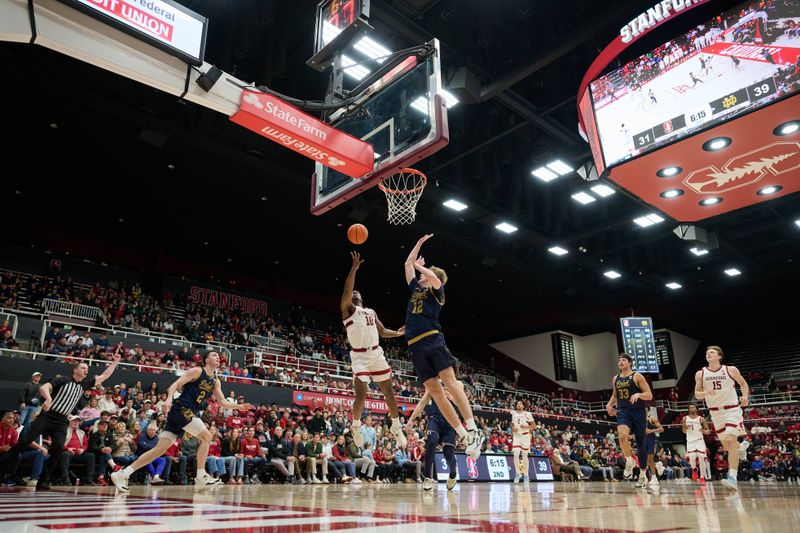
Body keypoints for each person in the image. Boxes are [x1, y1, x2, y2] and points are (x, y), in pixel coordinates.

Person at [111, 351, 253, 492]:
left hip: (185, 413)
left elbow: (222, 401)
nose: (218, 357)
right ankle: (201, 476)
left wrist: (239, 406)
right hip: (182, 409)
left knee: (159, 450)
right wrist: (168, 399)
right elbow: (175, 384)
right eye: (214, 355)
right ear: (206, 360)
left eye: (218, 356)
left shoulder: (215, 380)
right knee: (207, 437)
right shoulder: (197, 371)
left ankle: (123, 473)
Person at [403, 234, 483, 459]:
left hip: (432, 339)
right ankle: (462, 434)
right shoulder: (414, 291)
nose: (420, 275)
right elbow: (407, 264)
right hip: (414, 346)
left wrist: (423, 268)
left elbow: (435, 278)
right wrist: (418, 244)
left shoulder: (436, 291)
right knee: (435, 392)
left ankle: (473, 429)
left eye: (423, 274)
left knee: (449, 382)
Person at [0, 351, 120, 490]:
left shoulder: (85, 385)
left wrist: (115, 362)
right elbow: (44, 387)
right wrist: (48, 398)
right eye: (82, 367)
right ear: (75, 369)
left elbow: (105, 375)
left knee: (57, 449)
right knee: (24, 441)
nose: (86, 370)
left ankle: (43, 480)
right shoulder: (63, 380)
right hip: (48, 415)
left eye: (87, 369)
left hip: (62, 420)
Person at [341, 251, 407, 449]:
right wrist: (354, 268)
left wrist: (396, 333)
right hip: (360, 356)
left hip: (376, 353)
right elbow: (346, 291)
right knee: (361, 395)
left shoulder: (370, 311)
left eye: (357, 292)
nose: (355, 292)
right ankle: (355, 427)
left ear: (362, 297)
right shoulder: (348, 310)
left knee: (389, 393)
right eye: (353, 293)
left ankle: (396, 427)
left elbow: (382, 330)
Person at [694, 345, 749, 491]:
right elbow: (697, 394)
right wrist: (706, 392)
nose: (708, 354)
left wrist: (744, 396)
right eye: (707, 352)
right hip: (715, 413)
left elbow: (743, 383)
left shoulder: (730, 370)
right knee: (727, 447)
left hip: (732, 409)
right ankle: (741, 448)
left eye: (711, 352)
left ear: (719, 356)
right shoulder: (701, 373)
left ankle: (732, 477)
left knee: (731, 440)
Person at [605, 353, 653, 488]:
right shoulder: (616, 378)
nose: (621, 362)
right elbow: (615, 395)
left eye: (624, 360)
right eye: (619, 360)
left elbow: (649, 395)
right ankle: (629, 461)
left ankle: (643, 474)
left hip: (638, 412)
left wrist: (639, 394)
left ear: (630, 363)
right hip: (623, 411)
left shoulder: (637, 376)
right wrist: (609, 405)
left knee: (640, 444)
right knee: (622, 436)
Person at [406, 384, 459, 491]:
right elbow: (422, 403)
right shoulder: (434, 384)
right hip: (435, 419)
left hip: (450, 422)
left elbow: (462, 404)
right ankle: (427, 478)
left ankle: (453, 474)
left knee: (448, 453)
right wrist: (410, 420)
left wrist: (452, 398)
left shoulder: (457, 384)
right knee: (431, 441)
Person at [682, 403, 711, 483]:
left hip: (699, 440)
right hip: (690, 441)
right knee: (691, 458)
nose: (692, 409)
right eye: (690, 407)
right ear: (688, 409)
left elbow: (708, 431)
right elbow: (683, 431)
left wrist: (703, 431)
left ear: (696, 409)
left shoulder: (701, 419)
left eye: (693, 407)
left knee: (701, 458)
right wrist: (686, 428)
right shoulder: (685, 418)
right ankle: (694, 469)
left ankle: (702, 476)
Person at [511, 399, 536, 483]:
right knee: (516, 454)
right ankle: (518, 473)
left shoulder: (527, 414)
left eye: (520, 403)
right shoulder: (513, 413)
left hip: (525, 436)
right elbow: (512, 424)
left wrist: (526, 427)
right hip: (517, 436)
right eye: (518, 403)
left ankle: (526, 474)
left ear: (523, 406)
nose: (519, 404)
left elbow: (534, 426)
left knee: (524, 455)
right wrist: (512, 428)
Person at [645, 412, 663, 488]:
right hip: (643, 440)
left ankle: (654, 477)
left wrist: (651, 431)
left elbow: (661, 429)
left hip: (651, 440)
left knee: (650, 460)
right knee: (645, 460)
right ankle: (658, 466)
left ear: (648, 410)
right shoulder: (638, 418)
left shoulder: (651, 418)